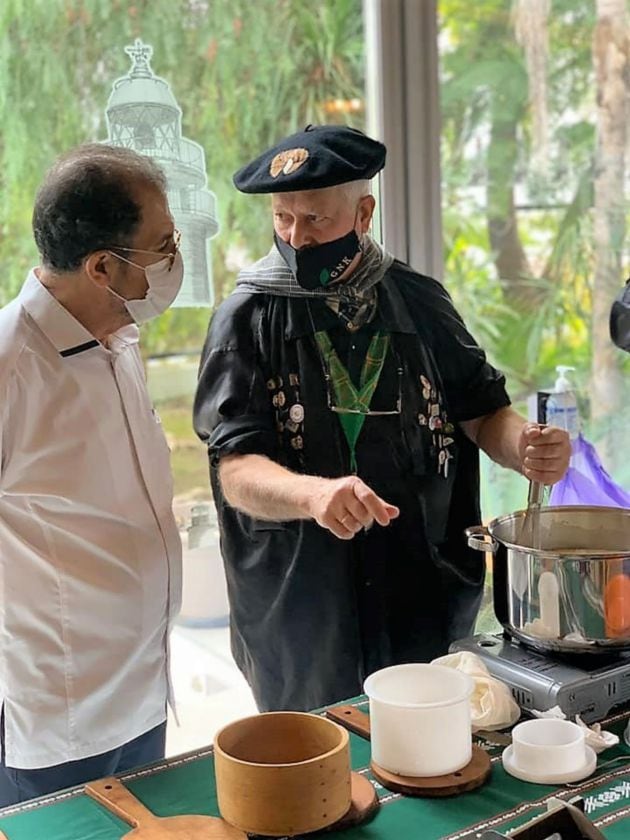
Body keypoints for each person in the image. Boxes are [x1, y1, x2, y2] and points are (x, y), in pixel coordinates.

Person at [193, 125, 570, 712]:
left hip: (420, 577)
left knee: (430, 739)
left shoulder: (419, 301)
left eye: (316, 219)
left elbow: (483, 412)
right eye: (284, 218)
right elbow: (235, 469)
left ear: (363, 213)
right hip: (301, 600)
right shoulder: (246, 318)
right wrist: (312, 495)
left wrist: (523, 444)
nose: (297, 237)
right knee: (320, 756)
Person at [0, 144, 183, 804]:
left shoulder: (119, 338)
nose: (174, 260)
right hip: (59, 720)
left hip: (146, 696)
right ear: (102, 266)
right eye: (162, 246)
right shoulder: (11, 364)